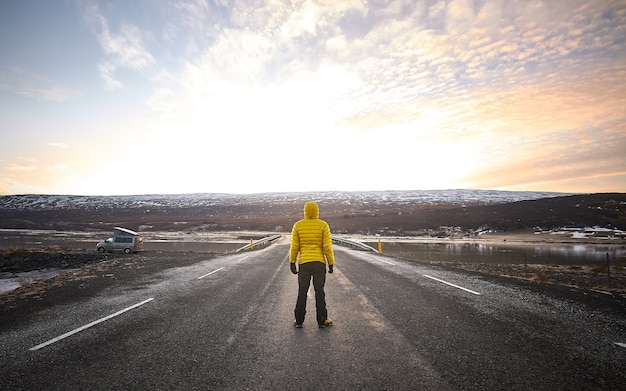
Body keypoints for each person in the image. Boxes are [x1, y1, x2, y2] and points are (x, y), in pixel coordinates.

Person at [289, 201, 335, 328]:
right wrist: (330, 263)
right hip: (319, 263)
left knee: (302, 291)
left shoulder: (298, 225)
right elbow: (327, 247)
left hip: (304, 263)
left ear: (304, 211)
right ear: (317, 211)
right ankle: (322, 320)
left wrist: (292, 262)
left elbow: (294, 247)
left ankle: (298, 321)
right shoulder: (323, 225)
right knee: (319, 291)